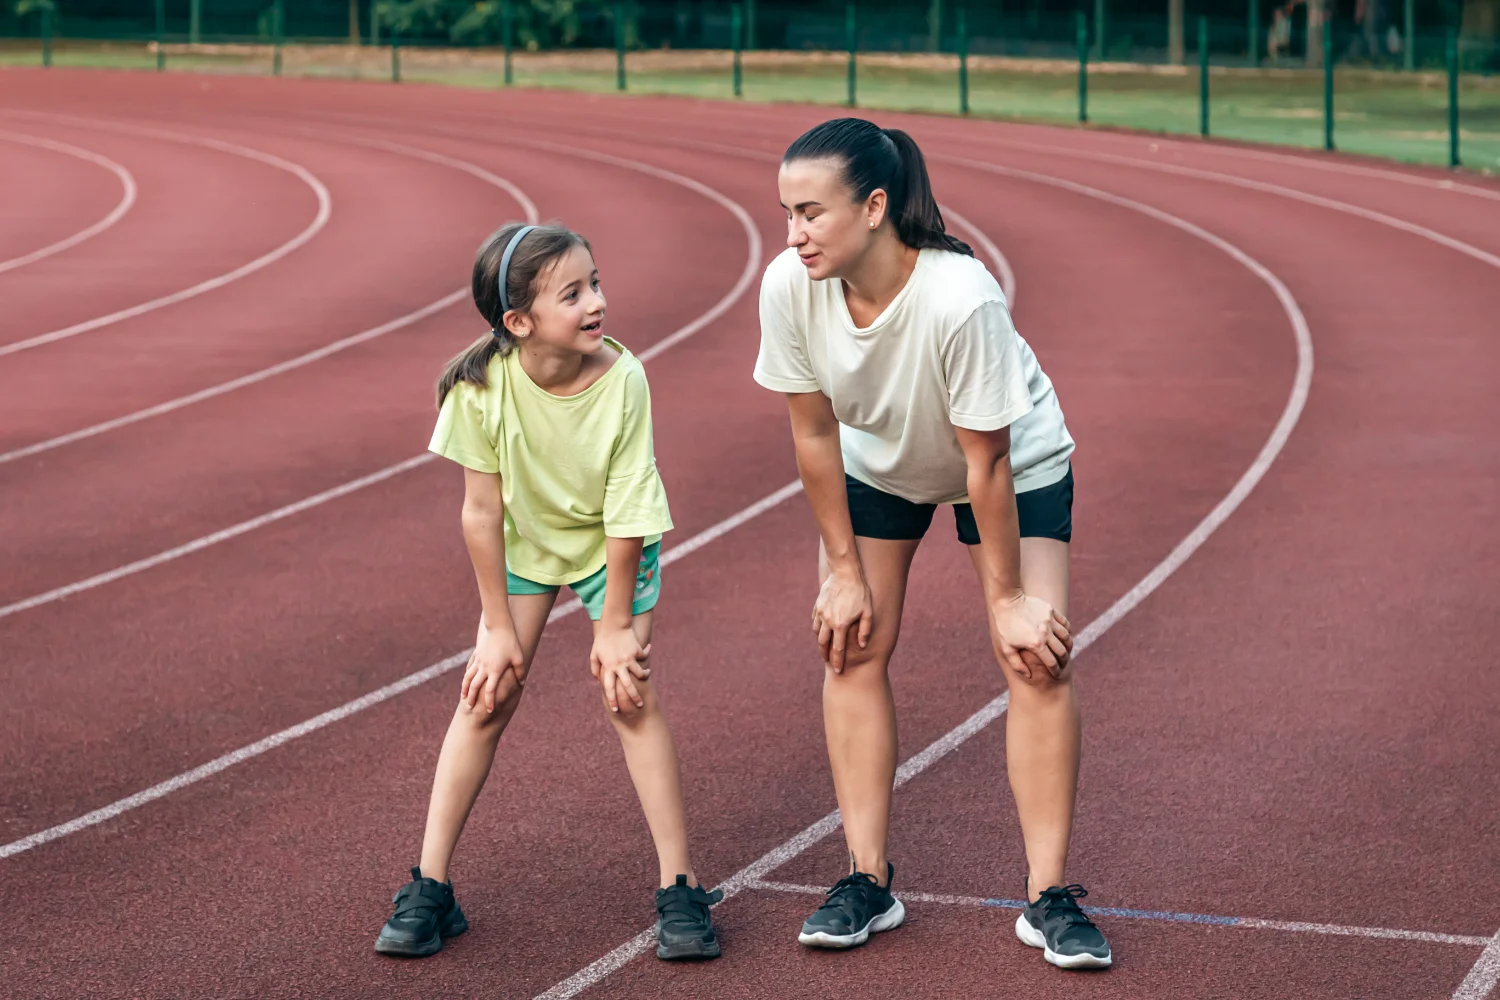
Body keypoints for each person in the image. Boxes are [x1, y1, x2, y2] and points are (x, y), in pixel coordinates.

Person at [753, 118, 1111, 969]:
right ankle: (866, 881)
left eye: (812, 212)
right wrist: (842, 571)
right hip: (877, 460)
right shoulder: (788, 285)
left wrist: (1010, 602)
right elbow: (811, 436)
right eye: (785, 214)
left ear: (875, 207)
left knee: (1037, 659)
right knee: (851, 646)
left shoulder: (962, 297)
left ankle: (1048, 897)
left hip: (1009, 466)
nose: (794, 233)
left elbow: (983, 460)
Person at [374, 222, 722, 962]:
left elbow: (629, 513)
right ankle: (429, 887)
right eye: (574, 293)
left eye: (595, 282)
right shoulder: (480, 387)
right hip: (529, 544)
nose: (597, 301)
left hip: (612, 546)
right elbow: (479, 512)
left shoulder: (624, 380)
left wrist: (614, 626)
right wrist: (496, 626)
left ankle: (680, 887)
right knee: (486, 693)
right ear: (519, 323)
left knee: (628, 695)